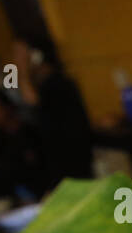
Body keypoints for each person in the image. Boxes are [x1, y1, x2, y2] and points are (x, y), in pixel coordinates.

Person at [12, 37, 93, 190]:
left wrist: (23, 72)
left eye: (20, 54)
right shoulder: (42, 84)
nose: (16, 60)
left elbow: (32, 102)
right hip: (55, 159)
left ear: (36, 56)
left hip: (70, 158)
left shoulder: (57, 84)